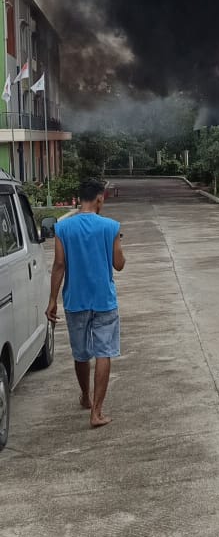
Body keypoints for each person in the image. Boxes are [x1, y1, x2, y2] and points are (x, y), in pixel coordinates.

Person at [46, 178, 125, 429]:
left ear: (80, 199)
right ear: (100, 198)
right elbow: (119, 264)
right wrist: (117, 242)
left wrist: (52, 301)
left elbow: (59, 265)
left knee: (81, 353)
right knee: (104, 352)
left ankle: (85, 397)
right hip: (104, 300)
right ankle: (97, 413)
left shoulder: (63, 228)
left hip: (75, 300)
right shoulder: (110, 226)